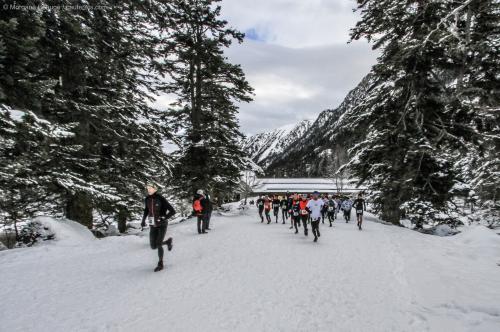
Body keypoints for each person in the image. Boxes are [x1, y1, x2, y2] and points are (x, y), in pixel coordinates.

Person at [141, 184, 176, 272]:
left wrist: (164, 217)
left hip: (162, 224)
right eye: (148, 188)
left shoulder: (161, 198)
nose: (149, 190)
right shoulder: (147, 199)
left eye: (151, 188)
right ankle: (168, 242)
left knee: (159, 244)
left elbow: (172, 211)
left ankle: (160, 263)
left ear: (155, 189)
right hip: (152, 224)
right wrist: (143, 220)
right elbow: (146, 210)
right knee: (153, 246)